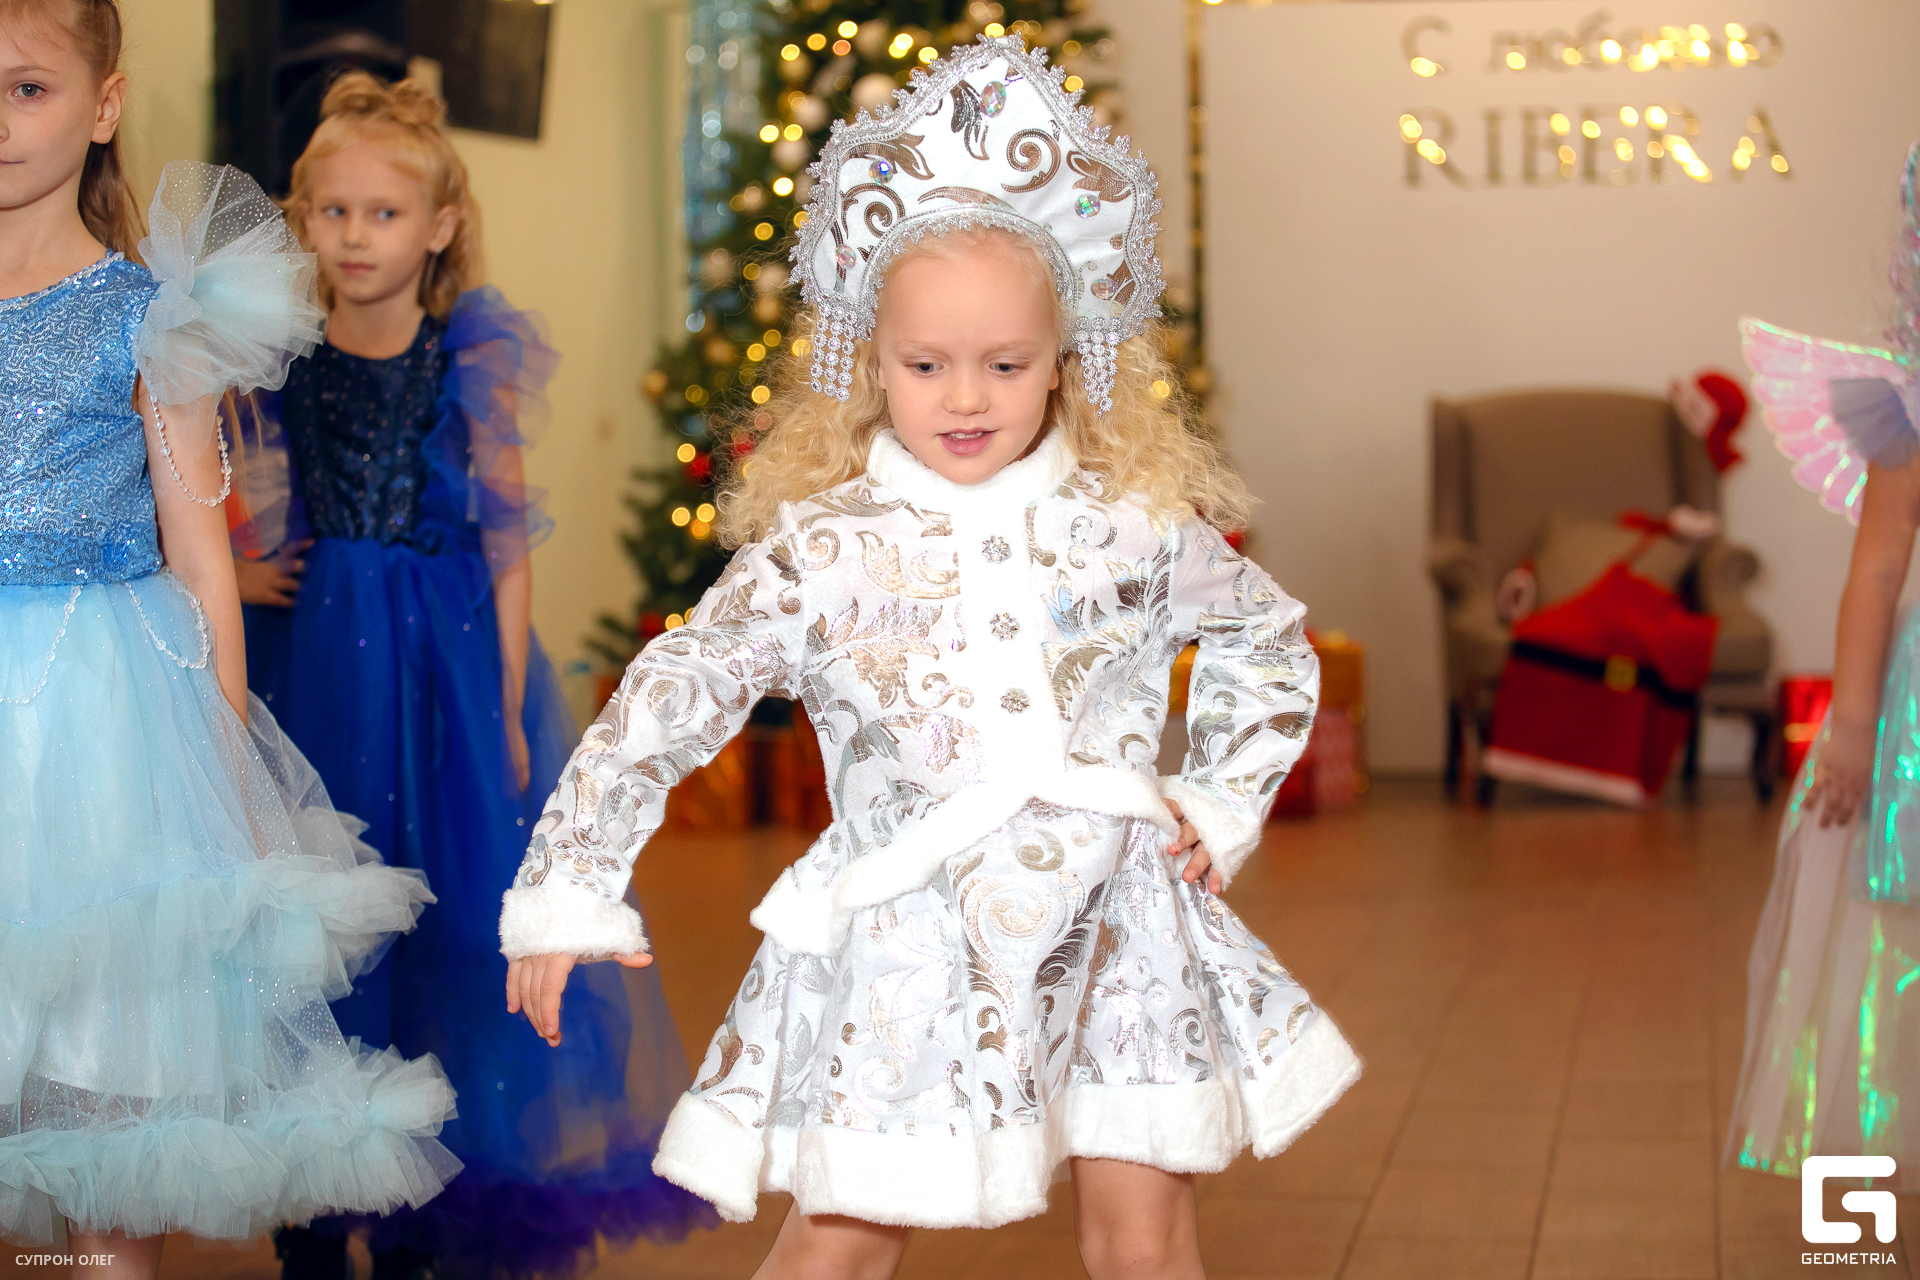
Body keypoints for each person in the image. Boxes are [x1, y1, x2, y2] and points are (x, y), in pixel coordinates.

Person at [500, 35, 1362, 1280]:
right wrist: (572, 883)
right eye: (925, 365)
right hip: (910, 936)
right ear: (870, 361)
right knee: (845, 1229)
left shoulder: (1130, 525)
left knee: (1146, 1227)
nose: (966, 398)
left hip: (1123, 925)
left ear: (1066, 361)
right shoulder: (822, 550)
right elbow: (667, 700)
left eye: (1005, 364)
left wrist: (1221, 796)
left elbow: (1264, 637)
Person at [0, 3, 461, 1277]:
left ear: (103, 104)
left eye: (29, 87)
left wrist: (225, 782)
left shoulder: (151, 313)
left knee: (105, 1100)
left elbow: (204, 557)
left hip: (97, 725)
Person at [234, 70, 707, 1280]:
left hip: (439, 675)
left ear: (439, 225)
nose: (355, 237)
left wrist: (503, 708)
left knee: (443, 925)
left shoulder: (468, 353)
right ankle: (312, 1204)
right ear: (303, 218)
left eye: (384, 213)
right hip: (316, 670)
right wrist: (240, 574)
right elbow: (213, 479)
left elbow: (506, 543)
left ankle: (418, 1214)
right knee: (322, 924)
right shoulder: (285, 353)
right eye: (332, 212)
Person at [1727, 141, 1920, 1186]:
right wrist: (1851, 728)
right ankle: (1867, 1191)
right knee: (1897, 941)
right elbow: (1877, 573)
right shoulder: (1910, 404)